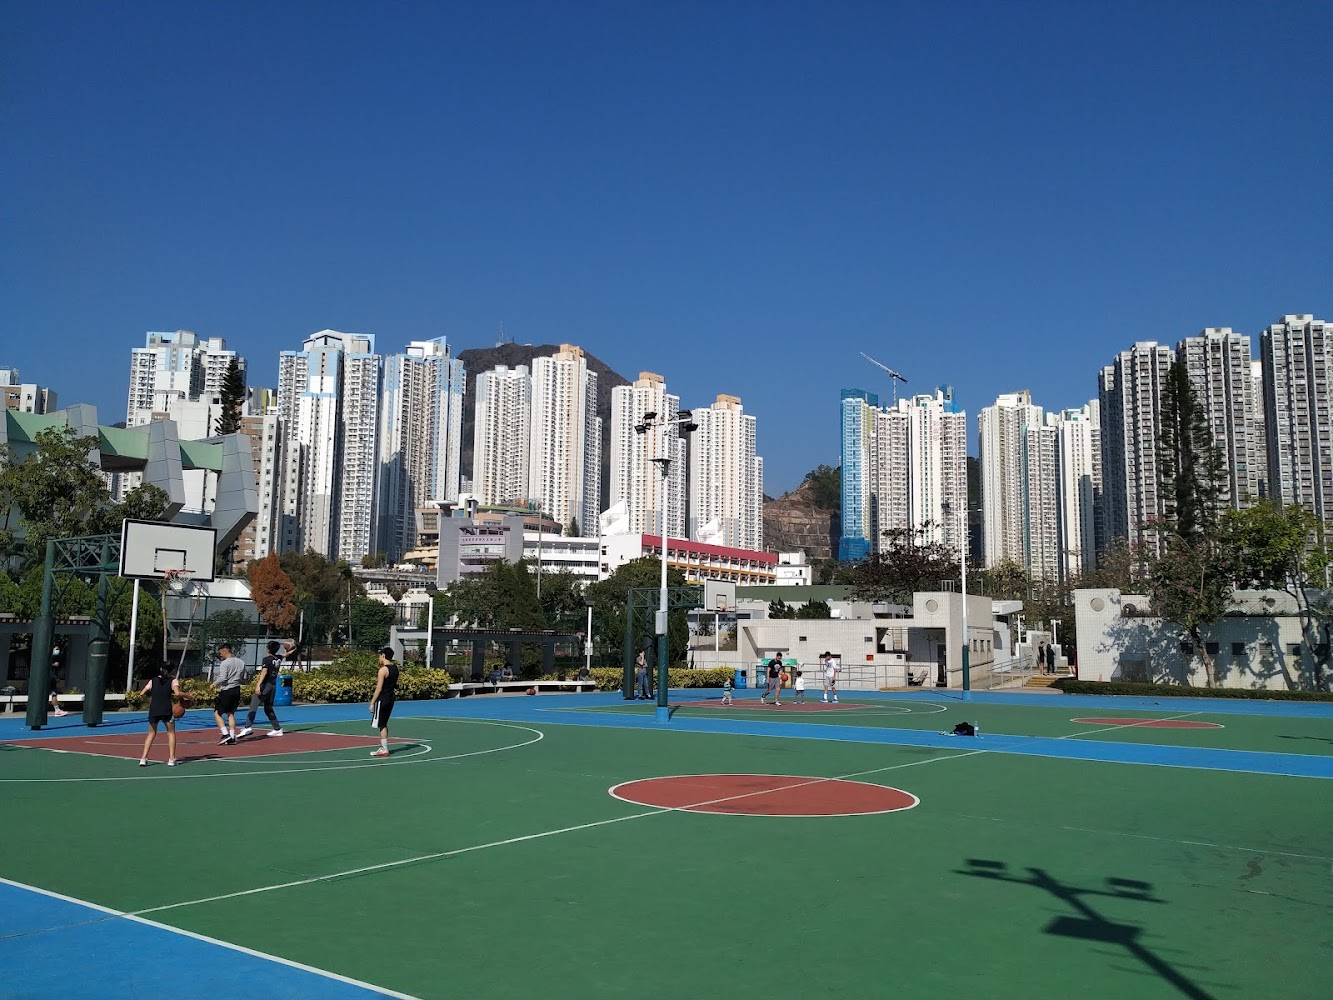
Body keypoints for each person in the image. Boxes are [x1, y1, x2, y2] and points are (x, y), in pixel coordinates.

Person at [238, 640, 284, 739]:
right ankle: (277, 729)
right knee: (268, 708)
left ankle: (247, 727)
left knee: (253, 704)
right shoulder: (279, 658)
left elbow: (264, 672)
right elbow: (285, 654)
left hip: (266, 685)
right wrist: (293, 649)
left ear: (268, 649)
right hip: (273, 686)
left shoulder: (267, 659)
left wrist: (258, 685)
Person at [138, 661, 182, 766]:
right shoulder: (173, 681)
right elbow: (177, 693)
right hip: (166, 710)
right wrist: (188, 696)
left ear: (160, 669)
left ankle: (143, 758)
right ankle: (171, 759)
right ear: (172, 670)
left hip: (154, 709)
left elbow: (142, 693)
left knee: (151, 734)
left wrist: (149, 701)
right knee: (171, 733)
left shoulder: (153, 681)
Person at [212, 643, 246, 746]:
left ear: (225, 651)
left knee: (217, 713)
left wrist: (214, 684)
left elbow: (223, 678)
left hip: (227, 690)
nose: (220, 655)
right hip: (236, 689)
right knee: (231, 713)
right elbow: (244, 677)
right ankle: (232, 736)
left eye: (221, 653)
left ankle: (225, 734)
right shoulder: (241, 662)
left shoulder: (225, 663)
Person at [369, 646, 399, 758]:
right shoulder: (395, 668)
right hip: (391, 698)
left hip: (383, 699)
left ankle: (384, 748)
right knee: (384, 723)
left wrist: (372, 702)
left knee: (381, 724)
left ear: (383, 655)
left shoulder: (383, 670)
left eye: (379, 655)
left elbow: (379, 689)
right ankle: (383, 747)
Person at [49, 643, 68, 716]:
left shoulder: (56, 658)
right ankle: (57, 710)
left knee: (54, 694)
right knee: (53, 694)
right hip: (49, 678)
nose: (58, 651)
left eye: (58, 649)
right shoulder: (49, 657)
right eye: (56, 649)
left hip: (52, 678)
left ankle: (57, 710)